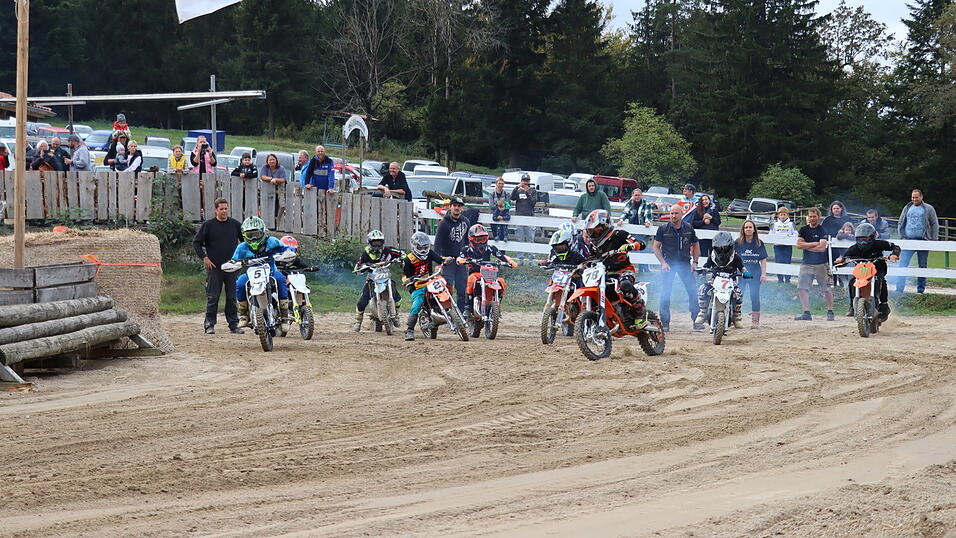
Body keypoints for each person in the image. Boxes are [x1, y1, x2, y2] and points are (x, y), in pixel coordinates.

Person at [582, 209, 651, 331]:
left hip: (624, 270)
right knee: (591, 288)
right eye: (591, 231)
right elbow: (590, 259)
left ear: (605, 226)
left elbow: (641, 243)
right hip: (604, 274)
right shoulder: (593, 245)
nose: (594, 234)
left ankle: (640, 311)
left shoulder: (619, 235)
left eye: (596, 230)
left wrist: (630, 246)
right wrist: (582, 266)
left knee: (624, 284)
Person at [229, 216, 293, 333]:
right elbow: (233, 260)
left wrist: (286, 254)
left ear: (263, 232)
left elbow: (287, 249)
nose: (253, 238)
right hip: (251, 274)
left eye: (256, 234)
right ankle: (243, 314)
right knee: (240, 283)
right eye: (250, 235)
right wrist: (231, 265)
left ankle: (284, 316)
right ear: (244, 235)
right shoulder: (242, 247)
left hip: (271, 272)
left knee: (280, 280)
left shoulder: (272, 242)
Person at [192, 198, 244, 335]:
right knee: (213, 297)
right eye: (221, 209)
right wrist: (204, 258)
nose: (224, 211)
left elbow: (245, 242)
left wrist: (242, 258)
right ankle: (209, 324)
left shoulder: (235, 225)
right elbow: (196, 243)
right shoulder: (208, 225)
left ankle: (234, 324)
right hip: (214, 268)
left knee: (232, 298)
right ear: (216, 210)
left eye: (226, 208)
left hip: (232, 267)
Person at [836, 222, 901, 320]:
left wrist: (894, 254)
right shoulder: (854, 248)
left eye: (865, 240)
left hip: (878, 267)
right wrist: (841, 261)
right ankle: (852, 306)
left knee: (880, 280)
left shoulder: (879, 244)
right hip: (862, 270)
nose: (862, 243)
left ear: (872, 238)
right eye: (860, 240)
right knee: (852, 281)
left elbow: (895, 247)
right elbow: (845, 258)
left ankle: (884, 304)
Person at [653, 205, 702, 332]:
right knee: (665, 293)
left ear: (681, 214)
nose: (673, 216)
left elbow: (696, 244)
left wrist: (695, 262)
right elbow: (656, 247)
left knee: (692, 291)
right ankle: (664, 323)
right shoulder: (663, 229)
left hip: (685, 263)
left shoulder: (688, 228)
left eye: (676, 213)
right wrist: (663, 263)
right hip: (668, 263)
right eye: (671, 213)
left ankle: (696, 321)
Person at [402, 232, 453, 341]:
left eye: (425, 247)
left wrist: (446, 260)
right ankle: (409, 330)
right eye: (420, 247)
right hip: (417, 285)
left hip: (430, 281)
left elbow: (439, 259)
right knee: (417, 304)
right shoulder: (408, 259)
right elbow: (405, 275)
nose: (423, 250)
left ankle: (450, 312)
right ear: (414, 246)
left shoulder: (429, 253)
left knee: (443, 288)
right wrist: (407, 280)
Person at [352, 230, 404, 331]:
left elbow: (402, 254)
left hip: (385, 276)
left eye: (379, 242)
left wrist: (403, 260)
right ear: (370, 242)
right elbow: (358, 265)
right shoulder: (366, 253)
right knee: (362, 300)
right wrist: (360, 268)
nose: (377, 244)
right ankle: (358, 321)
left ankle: (396, 315)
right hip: (372, 278)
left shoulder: (388, 250)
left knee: (397, 297)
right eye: (375, 242)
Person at [457, 224, 517, 310]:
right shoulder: (467, 249)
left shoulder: (490, 248)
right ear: (472, 239)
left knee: (501, 281)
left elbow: (500, 255)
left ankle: (497, 303)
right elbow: (460, 257)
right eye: (478, 240)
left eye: (483, 239)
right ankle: (468, 306)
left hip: (490, 274)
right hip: (476, 273)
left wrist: (509, 262)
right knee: (471, 280)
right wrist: (462, 260)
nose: (481, 242)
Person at [694, 231, 746, 329]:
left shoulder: (735, 257)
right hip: (715, 279)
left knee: (738, 293)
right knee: (702, 289)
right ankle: (702, 311)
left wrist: (745, 272)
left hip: (731, 280)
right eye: (719, 248)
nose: (722, 250)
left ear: (731, 247)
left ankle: (736, 316)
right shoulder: (712, 256)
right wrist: (702, 270)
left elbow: (742, 267)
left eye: (725, 248)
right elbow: (707, 266)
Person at [794, 207, 835, 321]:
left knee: (826, 288)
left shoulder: (823, 230)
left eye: (814, 216)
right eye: (810, 216)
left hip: (821, 264)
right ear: (808, 217)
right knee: (802, 288)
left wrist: (806, 245)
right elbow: (798, 245)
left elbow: (822, 248)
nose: (812, 218)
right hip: (806, 263)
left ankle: (830, 311)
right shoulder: (803, 229)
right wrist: (814, 244)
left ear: (818, 217)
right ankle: (806, 312)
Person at [896, 189, 939, 294]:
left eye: (916, 197)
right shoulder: (907, 208)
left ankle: (920, 290)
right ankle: (899, 289)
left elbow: (934, 224)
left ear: (921, 197)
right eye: (913, 197)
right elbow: (901, 222)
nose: (914, 199)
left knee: (922, 266)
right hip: (909, 240)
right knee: (903, 264)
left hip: (923, 240)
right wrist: (902, 236)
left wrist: (933, 239)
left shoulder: (929, 208)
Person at [434, 196, 471, 314]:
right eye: (454, 205)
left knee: (462, 287)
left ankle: (460, 313)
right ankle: (446, 312)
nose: (456, 208)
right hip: (447, 259)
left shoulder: (466, 222)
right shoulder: (444, 223)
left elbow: (466, 241)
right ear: (450, 207)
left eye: (459, 206)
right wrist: (438, 262)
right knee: (447, 287)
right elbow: (437, 244)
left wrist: (467, 257)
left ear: (462, 208)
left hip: (460, 260)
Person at [734, 221, 769, 328]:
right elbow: (733, 259)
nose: (748, 229)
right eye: (746, 227)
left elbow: (763, 260)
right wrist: (734, 273)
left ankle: (755, 321)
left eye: (750, 227)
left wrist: (763, 274)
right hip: (742, 273)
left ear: (754, 229)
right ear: (743, 230)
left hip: (755, 273)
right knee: (737, 296)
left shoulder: (759, 243)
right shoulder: (738, 243)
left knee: (754, 295)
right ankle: (735, 319)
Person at [510, 173, 540, 265]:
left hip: (529, 217)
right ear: (521, 181)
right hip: (519, 217)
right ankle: (520, 259)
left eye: (527, 181)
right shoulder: (518, 191)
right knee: (520, 239)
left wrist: (527, 192)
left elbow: (533, 203)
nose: (525, 183)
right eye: (524, 181)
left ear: (529, 182)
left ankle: (532, 260)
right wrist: (516, 188)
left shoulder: (533, 191)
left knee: (531, 239)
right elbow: (512, 197)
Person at [769, 206, 797, 283]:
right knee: (778, 261)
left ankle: (788, 279)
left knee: (787, 261)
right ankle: (780, 279)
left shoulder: (792, 224)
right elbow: (770, 234)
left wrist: (788, 237)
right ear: (778, 215)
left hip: (787, 246)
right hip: (778, 246)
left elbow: (796, 234)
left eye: (784, 214)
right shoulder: (774, 224)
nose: (783, 216)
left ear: (787, 215)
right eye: (781, 214)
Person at [833, 221, 856, 290]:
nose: (848, 232)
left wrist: (848, 236)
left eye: (849, 230)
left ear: (852, 231)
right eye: (846, 230)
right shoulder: (841, 235)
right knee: (838, 265)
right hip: (842, 255)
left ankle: (850, 283)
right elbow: (838, 237)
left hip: (852, 256)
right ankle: (844, 282)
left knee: (851, 267)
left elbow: (854, 238)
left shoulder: (854, 236)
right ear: (843, 230)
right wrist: (846, 235)